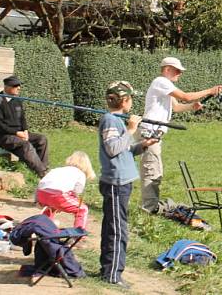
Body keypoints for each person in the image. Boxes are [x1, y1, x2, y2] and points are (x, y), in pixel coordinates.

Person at [138, 57, 222, 213]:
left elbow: (176, 107)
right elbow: (185, 96)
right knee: (152, 172)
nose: (180, 74)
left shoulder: (166, 87)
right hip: (149, 134)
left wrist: (192, 107)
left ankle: (150, 207)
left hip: (155, 135)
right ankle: (148, 209)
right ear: (167, 69)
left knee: (155, 171)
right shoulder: (161, 81)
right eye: (177, 71)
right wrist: (210, 91)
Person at [98, 81, 157, 288]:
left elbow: (123, 150)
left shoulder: (116, 121)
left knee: (113, 227)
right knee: (117, 230)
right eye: (130, 98)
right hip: (115, 183)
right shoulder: (110, 121)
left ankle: (108, 269)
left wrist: (141, 146)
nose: (132, 102)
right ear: (124, 101)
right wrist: (131, 130)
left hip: (122, 182)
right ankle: (113, 275)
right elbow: (113, 148)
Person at [0, 75, 49, 177]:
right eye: (15, 86)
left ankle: (43, 168)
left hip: (18, 133)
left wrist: (25, 131)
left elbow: (22, 118)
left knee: (42, 139)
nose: (19, 88)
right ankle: (42, 173)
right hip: (2, 136)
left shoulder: (17, 100)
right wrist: (16, 133)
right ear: (6, 87)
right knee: (25, 145)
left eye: (19, 85)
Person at [36, 151, 96, 230]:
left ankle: (43, 226)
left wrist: (37, 200)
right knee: (82, 209)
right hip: (58, 195)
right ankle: (78, 233)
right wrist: (62, 205)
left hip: (41, 193)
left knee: (51, 207)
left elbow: (41, 183)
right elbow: (77, 192)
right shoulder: (80, 174)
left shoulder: (57, 169)